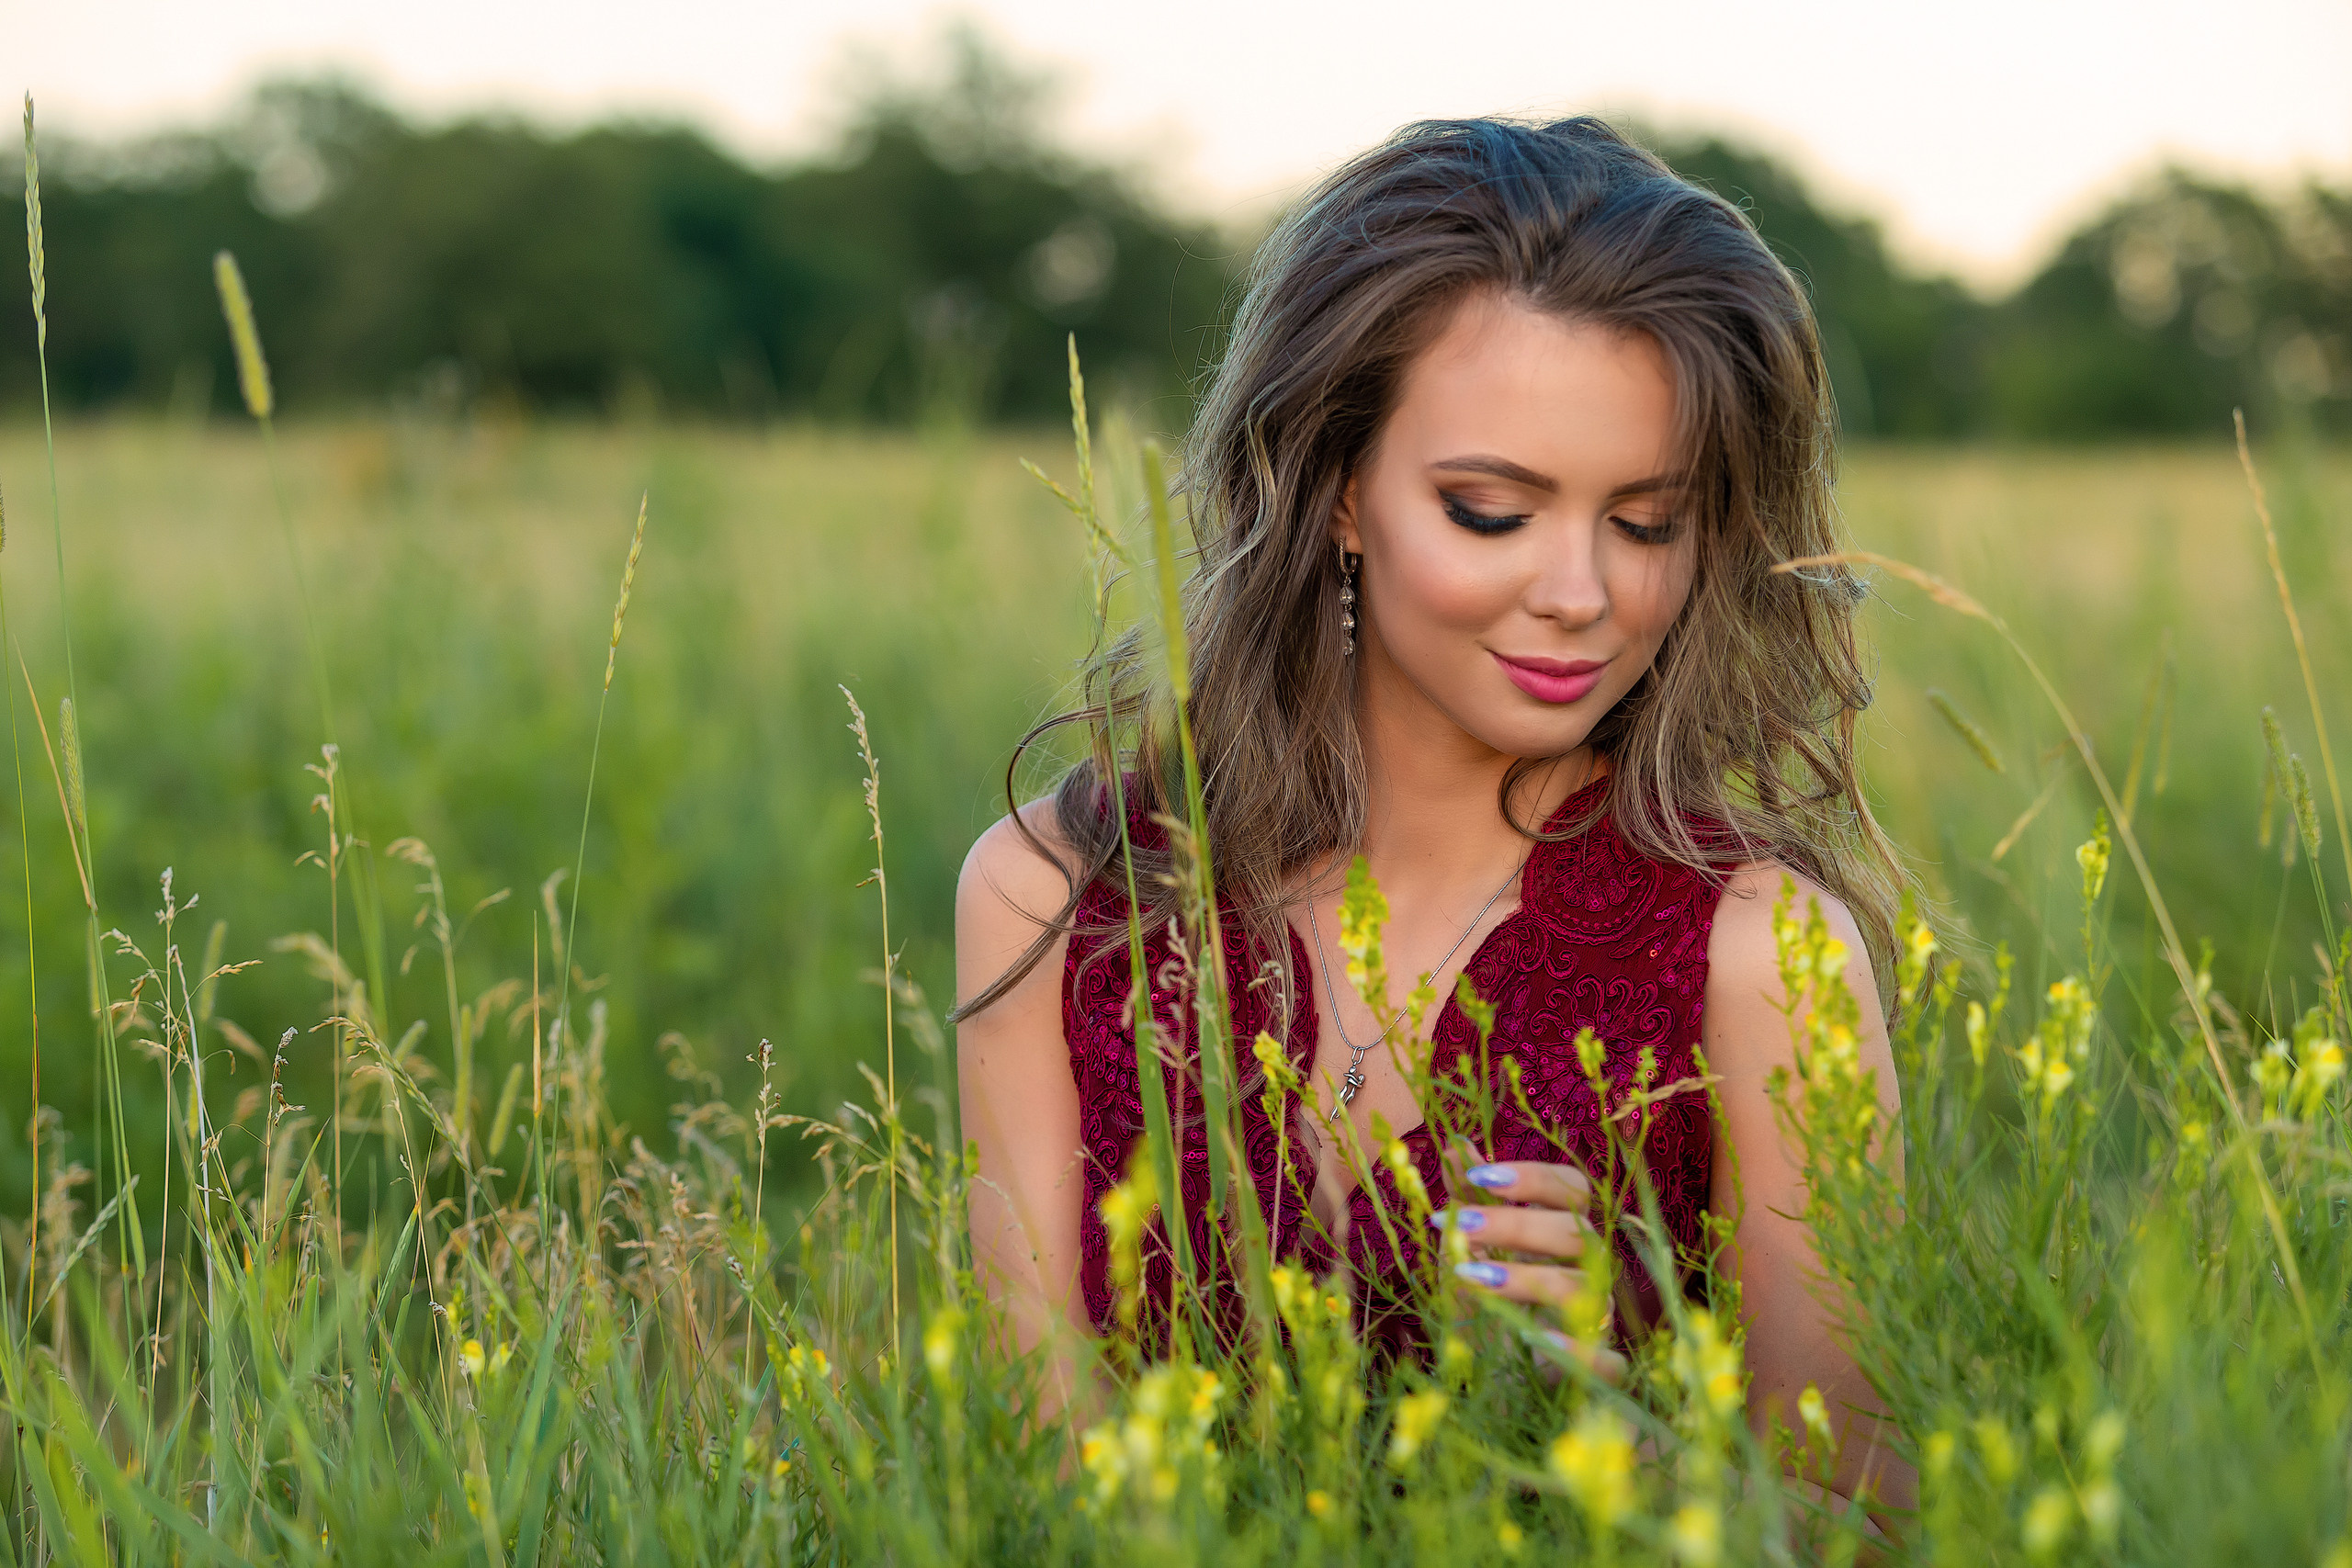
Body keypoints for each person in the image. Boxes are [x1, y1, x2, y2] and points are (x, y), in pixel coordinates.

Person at [953, 115, 1910, 1512]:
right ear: (1337, 490)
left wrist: (1608, 1419)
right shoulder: (1056, 895)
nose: (1583, 592)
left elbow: (1863, 1525)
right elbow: (1027, 1468)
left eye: (1647, 523)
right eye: (1489, 510)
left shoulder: (1763, 953)